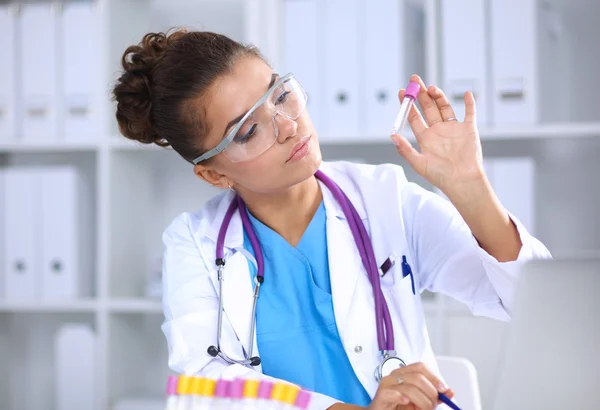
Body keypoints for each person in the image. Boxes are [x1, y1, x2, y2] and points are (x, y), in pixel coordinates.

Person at [112, 29, 551, 410]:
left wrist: (470, 186)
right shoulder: (195, 244)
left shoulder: (382, 199)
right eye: (248, 130)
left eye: (281, 95)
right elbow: (204, 386)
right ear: (214, 174)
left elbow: (535, 306)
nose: (287, 126)